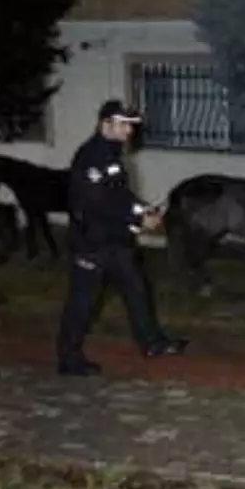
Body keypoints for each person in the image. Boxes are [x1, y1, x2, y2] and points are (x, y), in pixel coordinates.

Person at [56, 99, 188, 376]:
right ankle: (68, 358)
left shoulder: (113, 155)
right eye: (124, 125)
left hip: (116, 241)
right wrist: (139, 220)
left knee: (138, 291)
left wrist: (144, 209)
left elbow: (121, 195)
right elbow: (98, 203)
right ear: (106, 124)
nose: (129, 131)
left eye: (131, 126)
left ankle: (152, 343)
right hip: (92, 244)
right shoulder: (90, 157)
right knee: (84, 303)